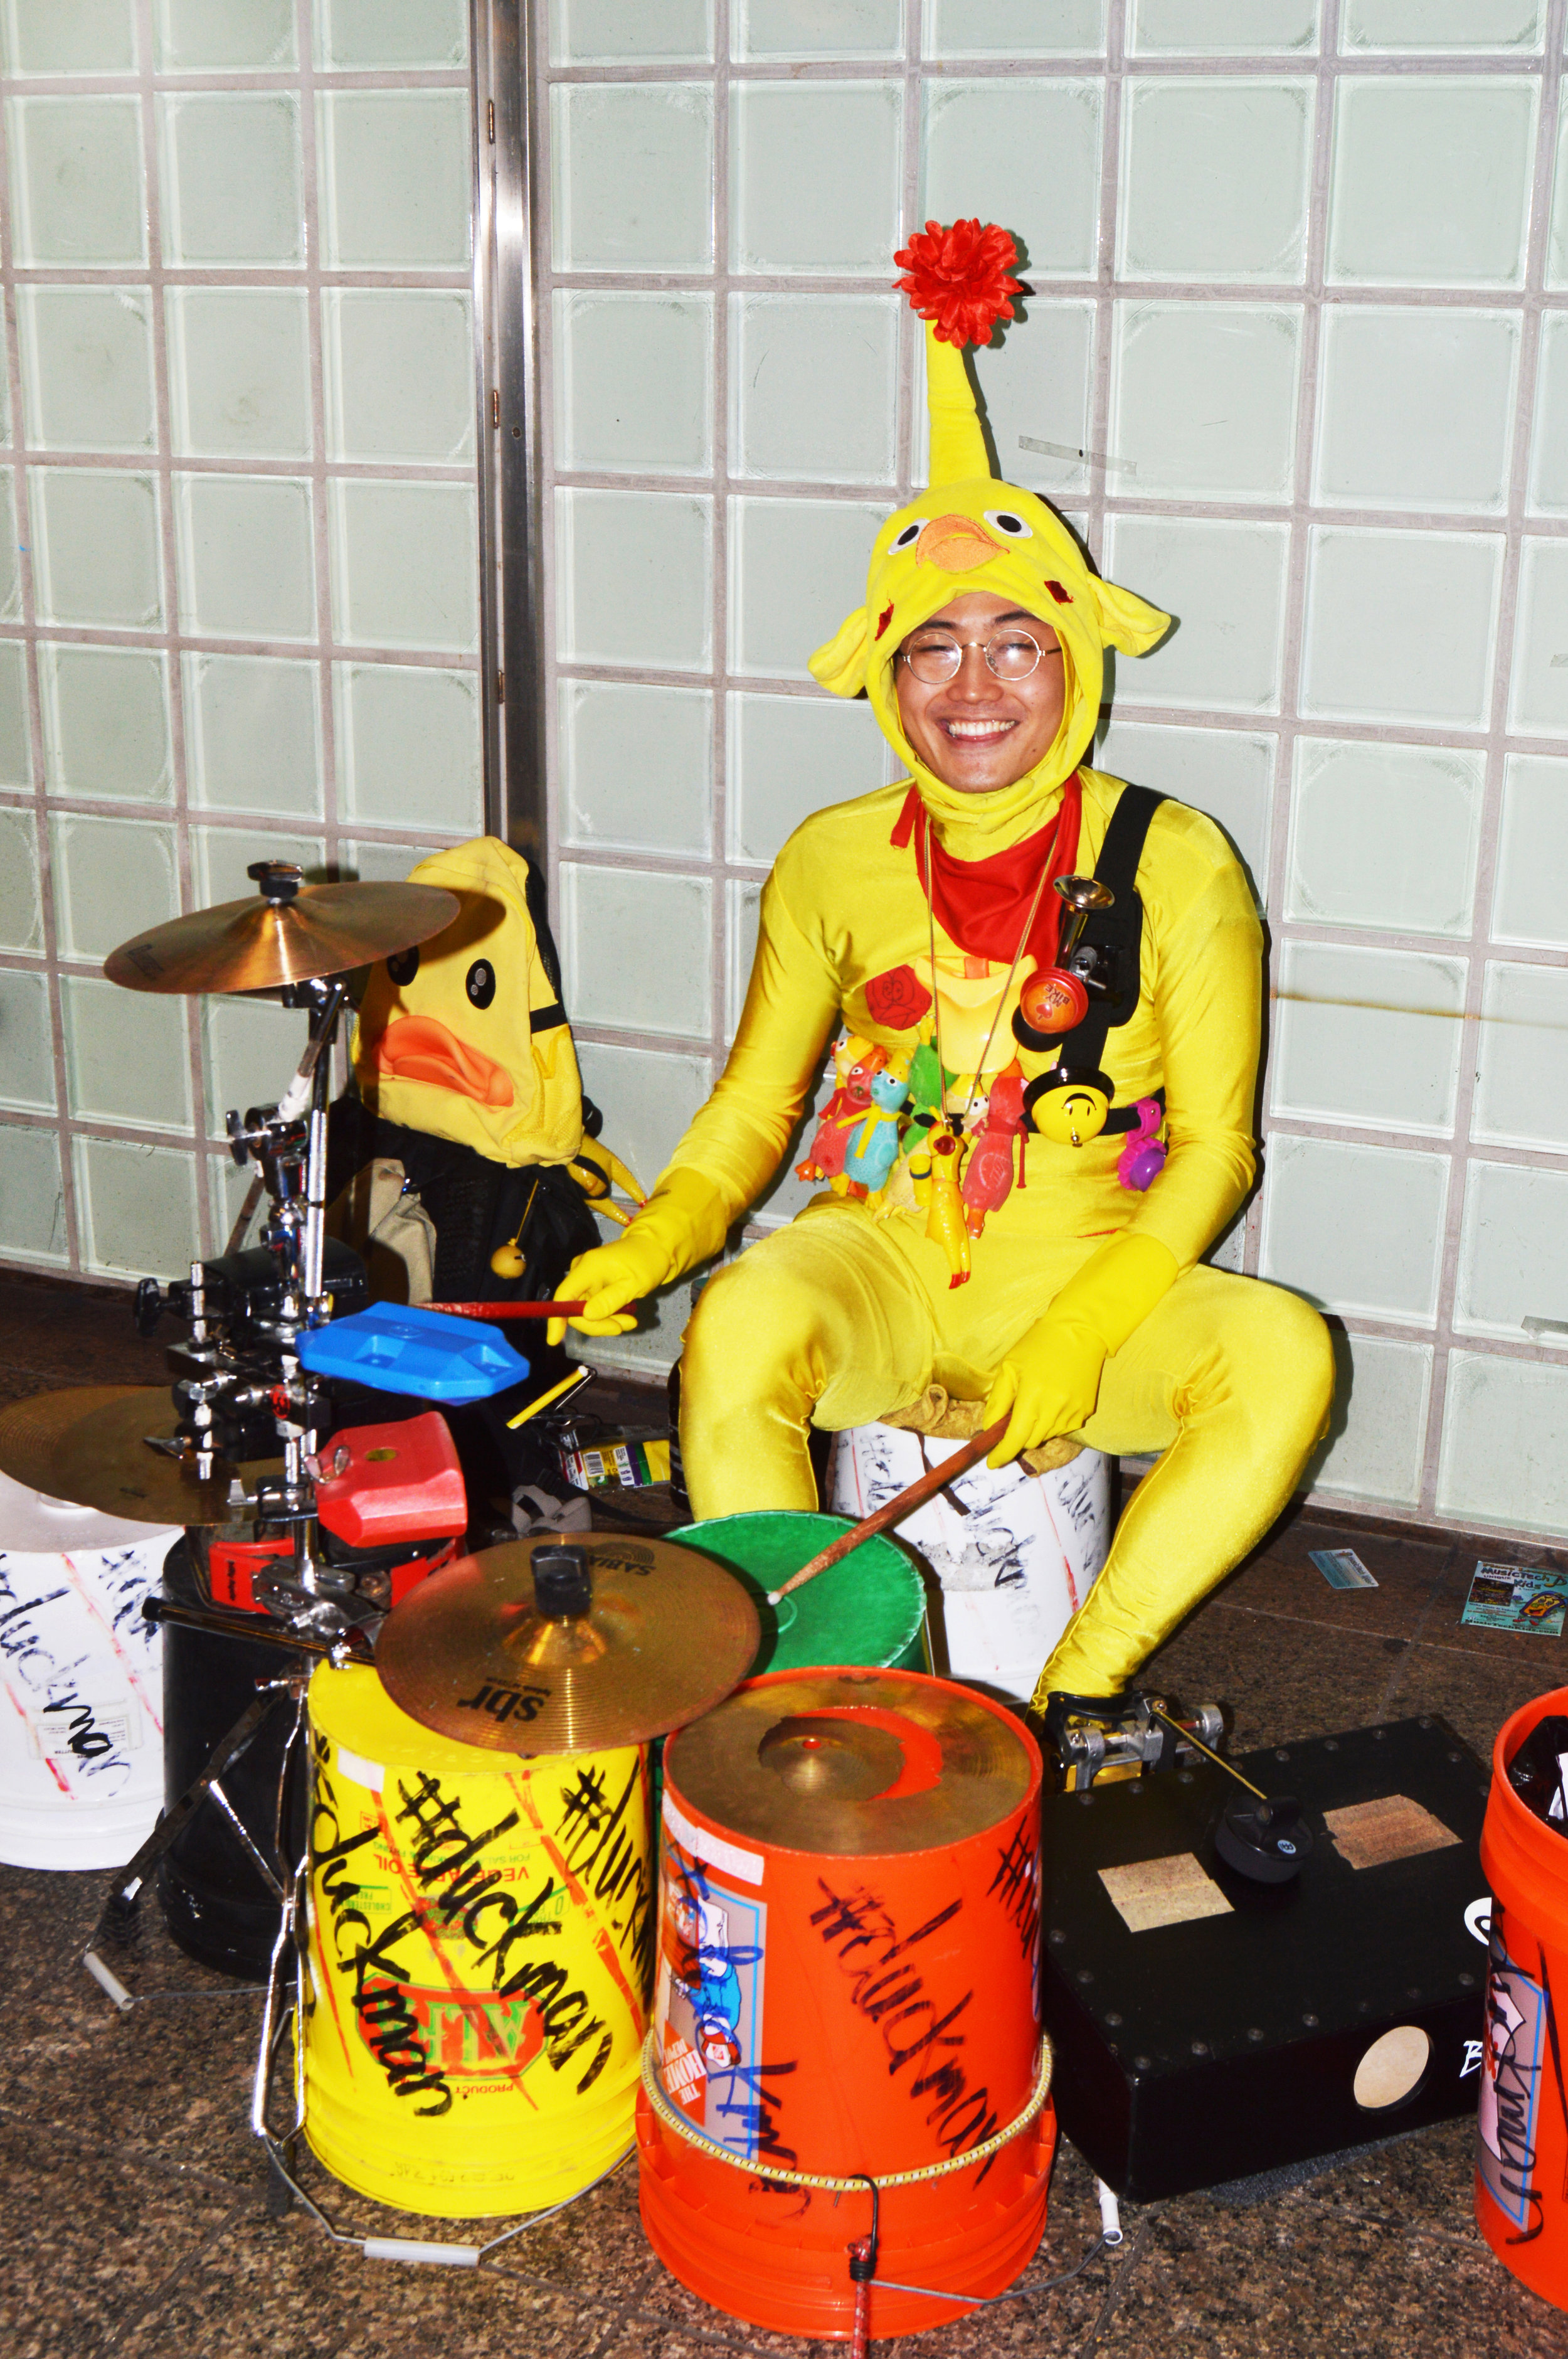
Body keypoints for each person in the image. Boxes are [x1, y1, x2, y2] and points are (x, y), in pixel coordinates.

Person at [549, 220, 1334, 1709]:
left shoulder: (1176, 859)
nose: (973, 686)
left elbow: (1217, 1151)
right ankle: (786, 1697)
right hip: (888, 1252)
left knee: (1283, 1352)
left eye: (1016, 644)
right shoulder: (831, 854)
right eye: (930, 647)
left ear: (1075, 657)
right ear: (883, 667)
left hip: (1097, 1270)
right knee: (744, 1320)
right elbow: (750, 1112)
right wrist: (656, 1240)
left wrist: (1086, 1323)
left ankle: (1070, 1696)